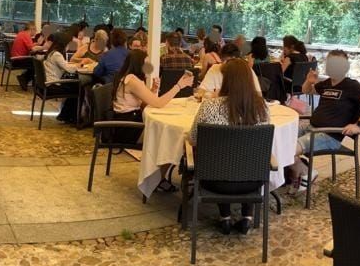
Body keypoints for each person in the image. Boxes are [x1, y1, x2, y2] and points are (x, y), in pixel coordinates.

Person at [189, 58, 271, 235]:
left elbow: (194, 139)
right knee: (247, 154)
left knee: (221, 155)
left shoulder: (210, 106)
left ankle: (225, 216)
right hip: (253, 180)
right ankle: (247, 217)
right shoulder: (262, 108)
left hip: (214, 180)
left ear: (225, 79)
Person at [289, 50, 360, 191]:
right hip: (311, 127)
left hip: (329, 135)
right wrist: (309, 81)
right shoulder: (326, 84)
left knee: (288, 149)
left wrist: (359, 125)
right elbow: (307, 91)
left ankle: (307, 172)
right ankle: (298, 169)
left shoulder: (351, 86)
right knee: (279, 140)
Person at [113, 50, 195, 182]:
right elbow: (158, 103)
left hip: (129, 122)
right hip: (127, 128)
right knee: (169, 139)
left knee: (168, 137)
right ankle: (156, 179)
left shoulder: (130, 78)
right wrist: (179, 86)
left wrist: (153, 91)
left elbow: (143, 103)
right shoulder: (133, 81)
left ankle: (158, 178)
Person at [42, 33, 79, 123]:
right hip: (53, 85)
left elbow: (64, 65)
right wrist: (80, 65)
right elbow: (69, 70)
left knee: (74, 87)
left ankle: (65, 115)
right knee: (77, 89)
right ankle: (71, 117)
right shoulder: (57, 55)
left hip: (47, 84)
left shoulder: (51, 52)